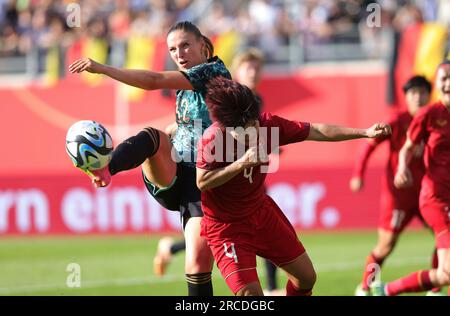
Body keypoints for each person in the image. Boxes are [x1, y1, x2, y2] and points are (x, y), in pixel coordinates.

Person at [68, 21, 232, 296]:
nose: (179, 53)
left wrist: (104, 68)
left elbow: (154, 81)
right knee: (152, 136)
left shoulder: (212, 70)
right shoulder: (188, 80)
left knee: (197, 264)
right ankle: (108, 168)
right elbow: (189, 125)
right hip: (178, 171)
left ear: (203, 47)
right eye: (172, 49)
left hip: (205, 183)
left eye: (185, 45)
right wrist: (175, 130)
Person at [196, 76, 391, 296]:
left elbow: (316, 130)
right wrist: (242, 163)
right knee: (251, 296)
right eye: (246, 128)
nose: (254, 129)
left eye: (255, 122)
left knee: (306, 277)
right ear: (228, 127)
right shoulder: (212, 139)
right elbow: (202, 181)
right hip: (227, 228)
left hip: (261, 213)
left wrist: (364, 132)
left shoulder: (269, 125)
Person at [152, 48, 284, 294]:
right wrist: (174, 131)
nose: (254, 73)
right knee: (222, 230)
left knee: (257, 220)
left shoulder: (257, 101)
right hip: (220, 172)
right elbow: (201, 121)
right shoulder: (226, 94)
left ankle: (271, 287)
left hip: (246, 171)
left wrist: (270, 144)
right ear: (237, 72)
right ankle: (269, 287)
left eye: (258, 68)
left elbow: (253, 133)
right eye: (248, 67)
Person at [350, 76, 442, 296]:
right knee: (385, 246)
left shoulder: (437, 120)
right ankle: (365, 286)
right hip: (398, 196)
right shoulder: (396, 121)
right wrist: (358, 174)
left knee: (443, 238)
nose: (418, 97)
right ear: (406, 97)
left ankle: (436, 288)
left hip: (429, 194)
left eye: (422, 92)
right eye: (413, 93)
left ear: (429, 95)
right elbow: (369, 146)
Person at [371, 60, 450, 296]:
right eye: (443, 78)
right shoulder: (429, 114)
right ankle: (374, 285)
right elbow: (406, 148)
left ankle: (387, 290)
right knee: (387, 244)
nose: (447, 83)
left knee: (445, 273)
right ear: (437, 84)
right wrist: (402, 168)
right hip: (436, 199)